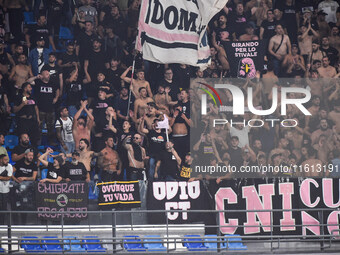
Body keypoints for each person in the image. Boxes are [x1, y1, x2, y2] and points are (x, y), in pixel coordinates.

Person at [0, 154, 12, 224]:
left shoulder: (9, 166)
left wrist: (1, 177)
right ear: (1, 160)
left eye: (7, 159)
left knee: (4, 208)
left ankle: (2, 224)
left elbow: (9, 177)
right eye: (5, 159)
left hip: (5, 191)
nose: (7, 161)